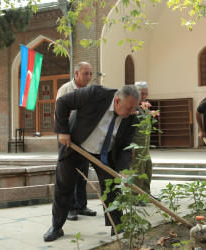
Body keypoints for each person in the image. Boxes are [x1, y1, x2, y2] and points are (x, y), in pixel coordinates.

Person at [43, 84, 140, 242]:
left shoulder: (131, 117)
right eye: (129, 107)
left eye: (134, 108)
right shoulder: (95, 93)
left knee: (111, 188)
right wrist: (63, 131)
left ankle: (118, 228)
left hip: (104, 153)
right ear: (116, 100)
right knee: (64, 186)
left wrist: (124, 170)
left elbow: (125, 148)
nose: (131, 112)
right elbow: (62, 102)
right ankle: (56, 226)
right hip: (75, 145)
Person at [55, 62, 97, 221]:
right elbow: (59, 114)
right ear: (76, 74)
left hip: (84, 138)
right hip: (67, 137)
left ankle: (81, 205)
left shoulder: (89, 91)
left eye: (91, 74)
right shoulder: (66, 89)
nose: (89, 77)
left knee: (83, 173)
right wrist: (64, 133)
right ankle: (70, 208)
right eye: (86, 73)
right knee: (69, 173)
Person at [130, 81, 155, 206]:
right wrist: (132, 147)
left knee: (147, 169)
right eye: (141, 93)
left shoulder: (145, 108)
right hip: (137, 146)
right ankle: (134, 197)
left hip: (145, 146)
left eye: (146, 93)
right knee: (137, 172)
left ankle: (145, 194)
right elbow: (130, 129)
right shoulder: (132, 108)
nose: (144, 96)